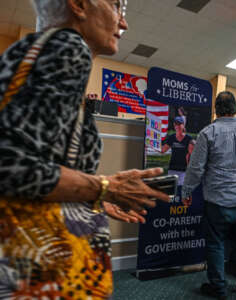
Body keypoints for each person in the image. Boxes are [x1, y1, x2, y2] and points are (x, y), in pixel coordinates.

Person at [0, 0, 169, 298]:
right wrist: (105, 187)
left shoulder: (37, 52)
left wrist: (93, 196)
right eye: (118, 6)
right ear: (78, 4)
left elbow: (34, 164)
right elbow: (10, 164)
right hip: (37, 276)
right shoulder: (68, 48)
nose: (123, 23)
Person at [182, 91, 236, 299]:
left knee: (216, 244)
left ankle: (218, 287)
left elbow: (196, 168)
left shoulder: (208, 133)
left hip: (218, 201)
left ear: (216, 110)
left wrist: (187, 190)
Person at [161, 116, 195, 186]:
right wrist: (153, 143)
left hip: (183, 170)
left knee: (181, 191)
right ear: (174, 126)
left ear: (183, 125)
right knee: (171, 190)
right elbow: (163, 150)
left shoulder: (189, 139)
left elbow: (193, 153)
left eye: (180, 124)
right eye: (176, 124)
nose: (178, 126)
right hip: (172, 169)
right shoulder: (172, 137)